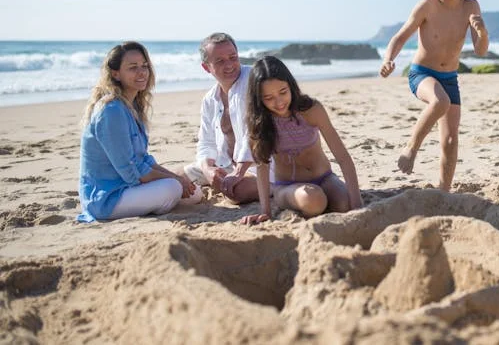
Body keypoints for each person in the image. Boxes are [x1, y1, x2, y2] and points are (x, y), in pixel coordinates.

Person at [379, 0, 489, 191]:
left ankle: (444, 191)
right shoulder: (427, 5)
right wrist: (388, 59)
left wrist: (482, 31)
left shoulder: (471, 6)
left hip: (449, 77)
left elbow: (480, 50)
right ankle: (411, 147)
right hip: (422, 74)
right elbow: (400, 36)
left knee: (450, 140)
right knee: (440, 102)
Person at [78, 42, 201, 222]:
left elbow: (144, 160)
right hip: (107, 198)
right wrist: (177, 181)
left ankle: (160, 201)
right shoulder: (110, 110)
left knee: (194, 193)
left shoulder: (132, 105)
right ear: (115, 73)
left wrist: (178, 178)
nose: (142, 72)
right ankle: (159, 203)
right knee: (173, 188)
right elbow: (133, 171)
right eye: (133, 68)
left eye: (144, 66)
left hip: (129, 188)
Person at [240, 56, 362, 224]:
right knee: (314, 200)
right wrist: (265, 211)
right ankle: (291, 200)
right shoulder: (259, 121)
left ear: (291, 85)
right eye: (268, 98)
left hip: (325, 178)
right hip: (287, 187)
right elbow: (262, 166)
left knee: (345, 204)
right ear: (259, 99)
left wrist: (357, 204)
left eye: (283, 92)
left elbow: (343, 157)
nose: (279, 102)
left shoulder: (311, 109)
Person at [180, 32, 259, 204]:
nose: (229, 64)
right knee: (176, 179)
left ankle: (276, 188)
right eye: (220, 61)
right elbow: (206, 142)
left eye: (233, 57)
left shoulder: (255, 82)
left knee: (235, 192)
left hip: (259, 166)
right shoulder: (210, 99)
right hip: (225, 165)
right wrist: (208, 168)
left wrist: (238, 173)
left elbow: (256, 133)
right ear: (206, 67)